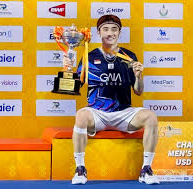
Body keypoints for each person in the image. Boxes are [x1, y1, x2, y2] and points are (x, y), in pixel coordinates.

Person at [63, 14, 159, 185]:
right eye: (105, 29)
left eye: (114, 29)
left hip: (124, 113)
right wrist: (67, 69)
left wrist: (138, 77)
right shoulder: (88, 56)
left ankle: (146, 169)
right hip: (97, 113)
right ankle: (80, 169)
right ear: (99, 32)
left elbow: (138, 91)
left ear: (119, 32)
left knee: (151, 117)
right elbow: (73, 87)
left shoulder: (129, 57)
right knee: (80, 116)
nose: (110, 33)